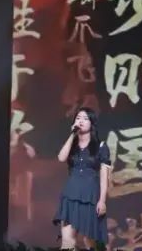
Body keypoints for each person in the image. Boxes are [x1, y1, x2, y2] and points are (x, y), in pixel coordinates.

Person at [53, 107, 110, 250]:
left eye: (85, 118)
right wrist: (72, 135)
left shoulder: (101, 146)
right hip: (71, 195)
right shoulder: (71, 145)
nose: (81, 121)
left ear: (92, 123)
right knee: (67, 242)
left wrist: (102, 200)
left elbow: (104, 176)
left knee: (90, 242)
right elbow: (61, 158)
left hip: (90, 196)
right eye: (78, 118)